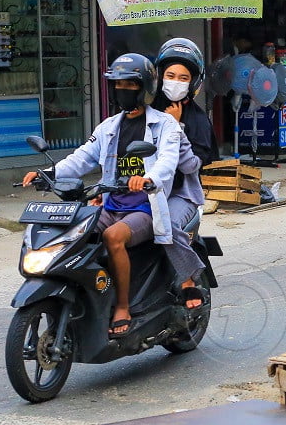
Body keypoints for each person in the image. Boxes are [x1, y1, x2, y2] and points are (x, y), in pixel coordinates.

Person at [23, 53, 204, 338]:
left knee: (113, 237)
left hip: (147, 207)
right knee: (71, 233)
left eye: (131, 85)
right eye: (118, 84)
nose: (124, 90)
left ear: (144, 87)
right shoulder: (108, 127)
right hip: (111, 204)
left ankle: (122, 306)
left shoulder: (164, 125)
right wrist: (49, 173)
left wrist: (147, 179)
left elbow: (168, 162)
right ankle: (91, 292)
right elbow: (82, 157)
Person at [149, 37, 218, 309]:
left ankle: (189, 281)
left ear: (193, 83)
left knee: (166, 224)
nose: (175, 81)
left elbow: (193, 166)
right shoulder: (144, 110)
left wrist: (175, 127)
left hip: (180, 195)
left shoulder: (197, 121)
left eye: (182, 77)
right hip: (143, 190)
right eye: (170, 75)